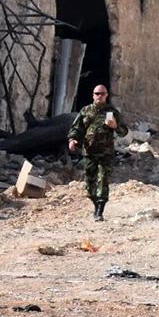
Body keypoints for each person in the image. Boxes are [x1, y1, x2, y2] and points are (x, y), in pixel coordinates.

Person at [67, 84, 128, 221]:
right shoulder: (85, 111)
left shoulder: (112, 112)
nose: (99, 96)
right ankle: (95, 204)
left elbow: (124, 132)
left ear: (106, 95)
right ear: (93, 95)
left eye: (102, 93)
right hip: (89, 152)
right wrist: (72, 140)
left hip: (105, 153)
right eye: (97, 93)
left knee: (103, 180)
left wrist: (115, 126)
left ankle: (99, 211)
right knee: (90, 183)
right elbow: (76, 128)